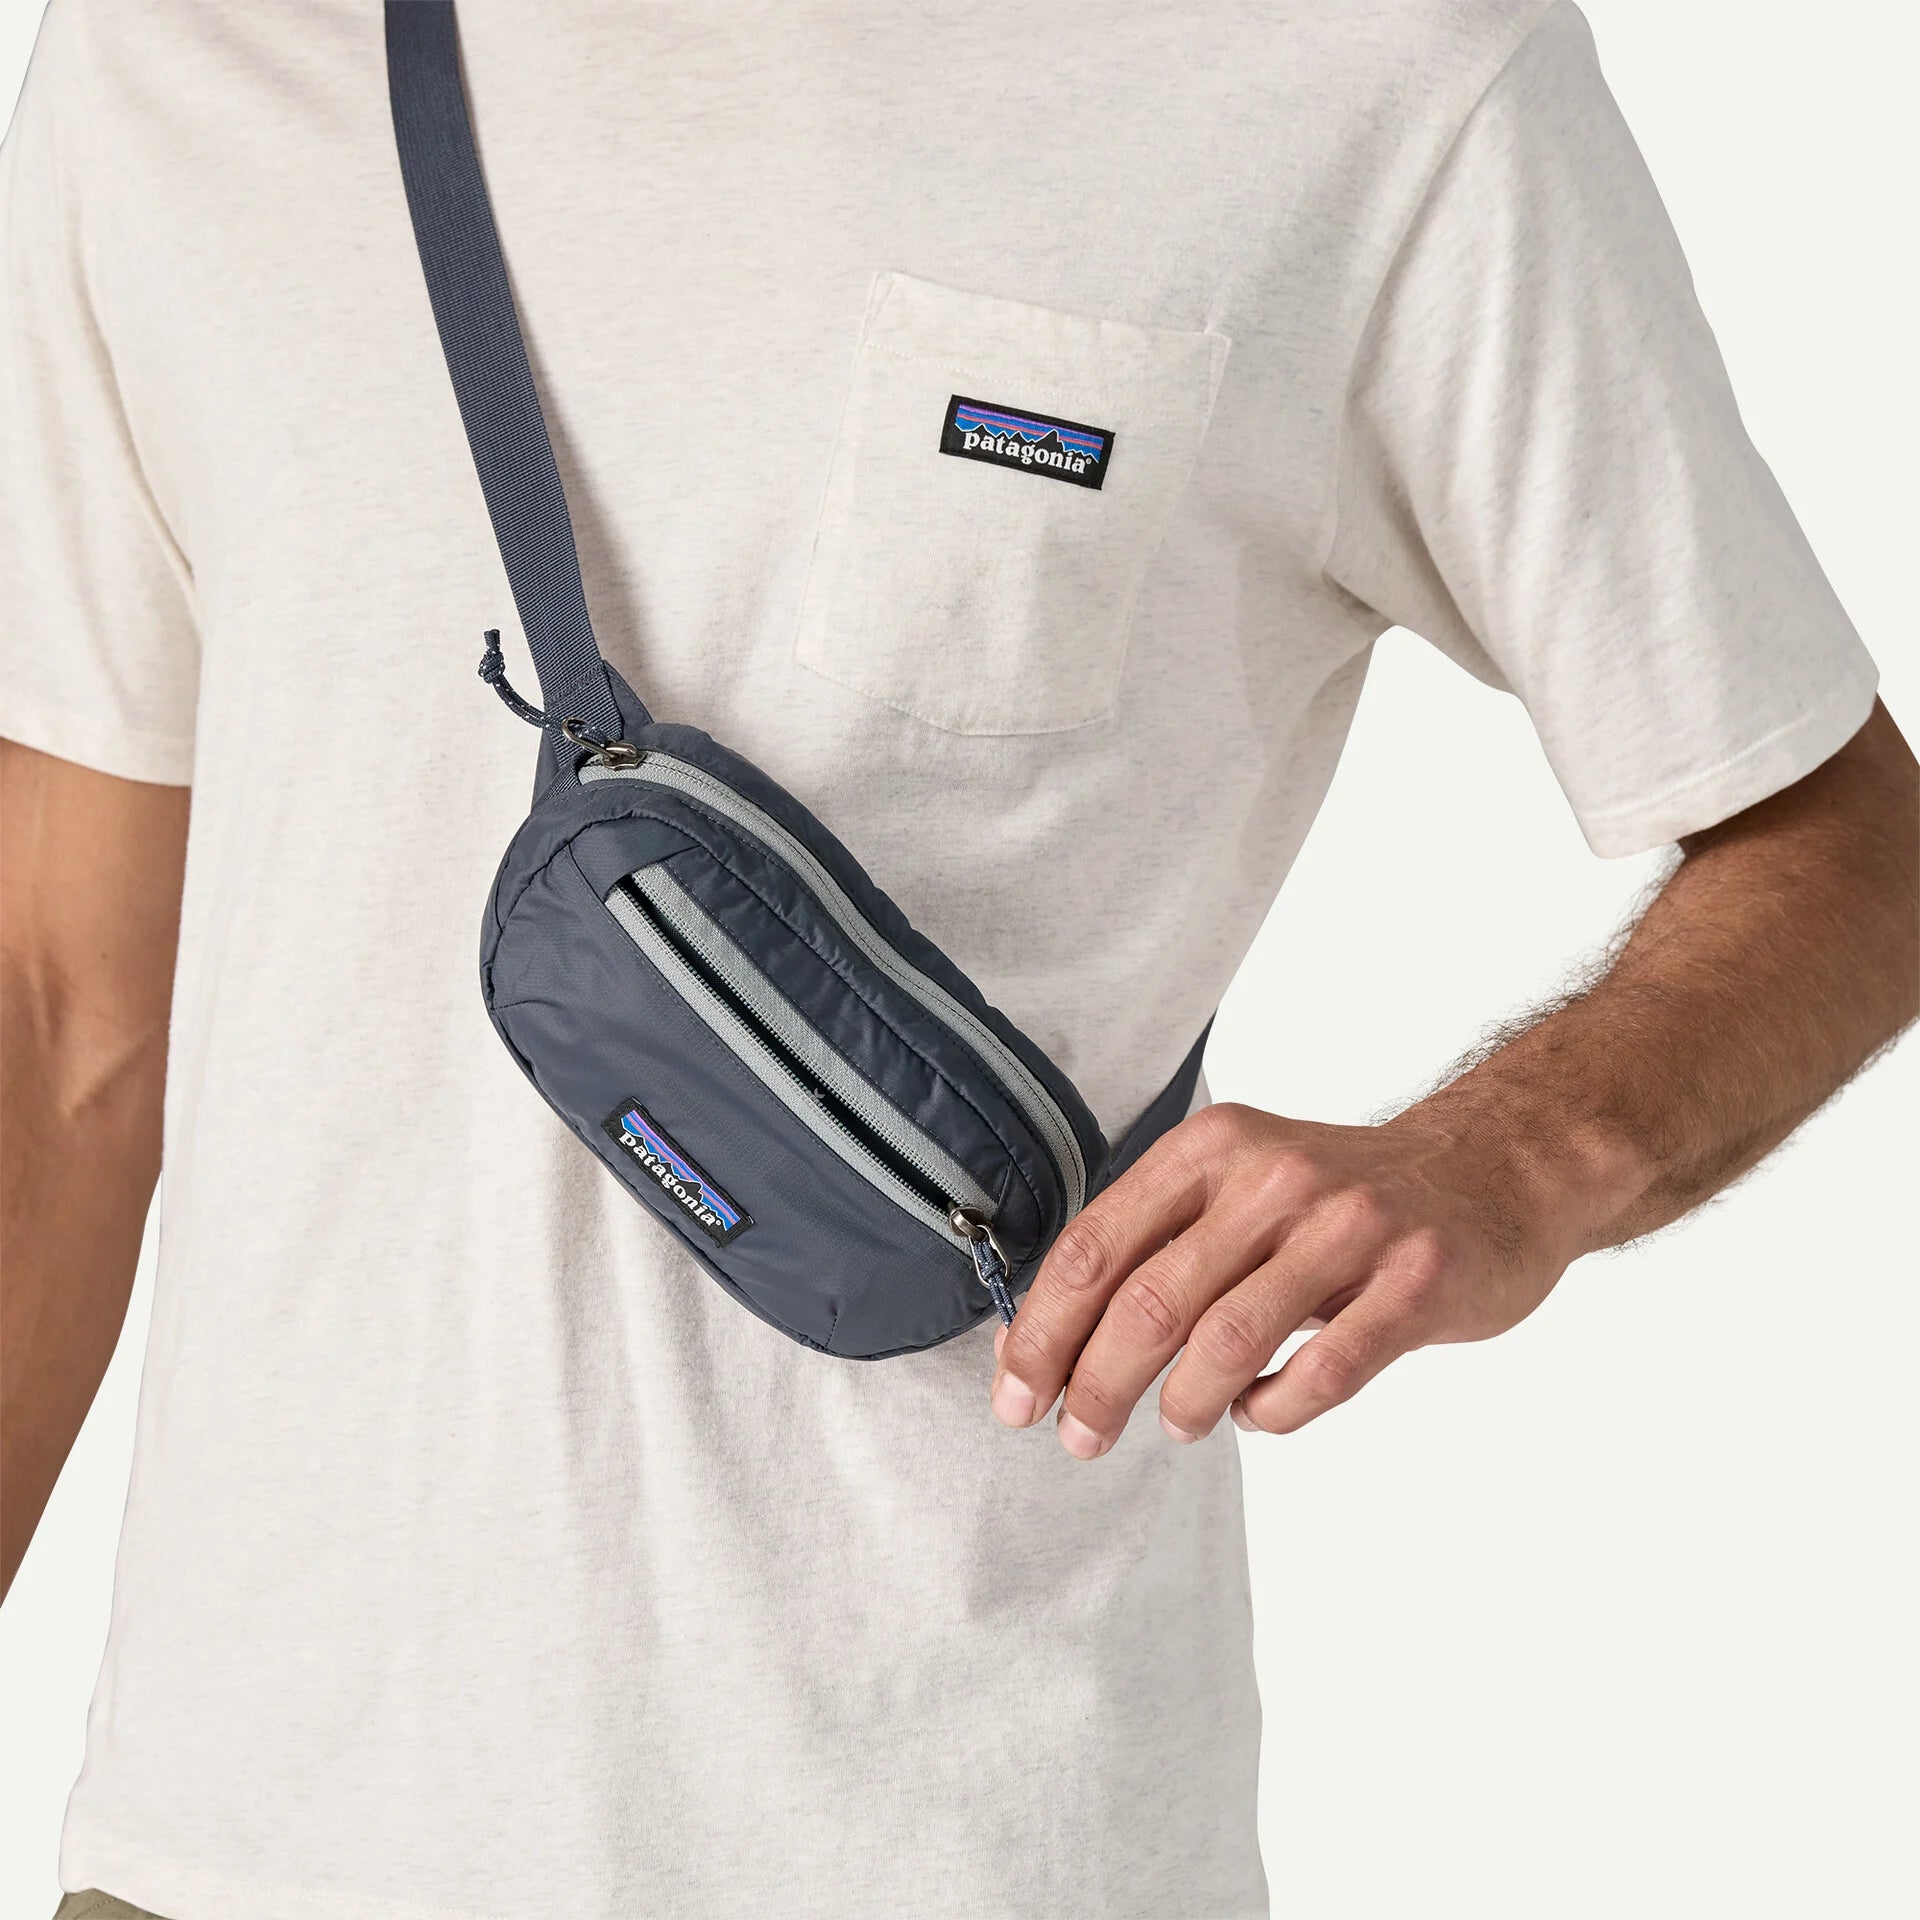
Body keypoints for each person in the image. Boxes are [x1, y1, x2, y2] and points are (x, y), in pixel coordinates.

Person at [2, 2, 1912, 1917]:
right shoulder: (178, 52)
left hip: (960, 1845)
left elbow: (1855, 847)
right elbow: (59, 1019)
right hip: (222, 1842)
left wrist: (1511, 1158)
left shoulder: (1374, 65)